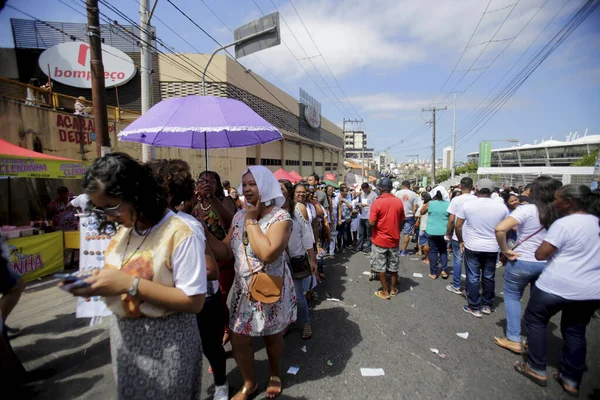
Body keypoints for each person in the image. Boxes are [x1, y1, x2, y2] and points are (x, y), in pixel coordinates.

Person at [67, 152, 207, 399]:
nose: (109, 216)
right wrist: (97, 283)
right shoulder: (125, 229)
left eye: (111, 207)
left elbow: (194, 301)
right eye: (101, 210)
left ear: (136, 194)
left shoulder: (180, 233)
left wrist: (129, 284)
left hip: (167, 344)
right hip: (126, 341)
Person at [206, 166, 295, 400]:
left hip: (269, 287)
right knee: (238, 338)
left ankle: (274, 374)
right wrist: (202, 232)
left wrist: (251, 221)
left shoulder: (281, 218)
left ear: (265, 186)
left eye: (252, 184)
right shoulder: (239, 215)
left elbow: (267, 254)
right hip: (243, 289)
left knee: (271, 335)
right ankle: (249, 383)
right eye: (244, 184)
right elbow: (226, 251)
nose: (246, 189)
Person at [148, 159, 228, 400]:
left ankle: (222, 383)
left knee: (209, 347)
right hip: (168, 306)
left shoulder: (188, 226)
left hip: (202, 300)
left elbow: (211, 271)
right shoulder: (146, 225)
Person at [513, 185, 600, 395]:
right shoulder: (596, 222)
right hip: (590, 290)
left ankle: (536, 366)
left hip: (556, 285)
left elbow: (542, 254)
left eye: (558, 199)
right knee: (576, 330)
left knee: (535, 321)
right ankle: (571, 379)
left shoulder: (564, 224)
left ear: (569, 202)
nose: (554, 203)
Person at [493, 176, 562, 354]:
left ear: (533, 191)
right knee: (538, 303)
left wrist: (505, 249)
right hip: (548, 263)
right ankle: (534, 340)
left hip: (522, 260)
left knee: (512, 296)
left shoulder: (527, 210)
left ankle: (514, 339)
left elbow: (500, 228)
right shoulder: (561, 211)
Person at [192, 171, 237, 346]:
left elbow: (228, 224)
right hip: (200, 259)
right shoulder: (194, 204)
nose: (205, 183)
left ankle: (226, 328)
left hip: (223, 259)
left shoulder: (225, 201)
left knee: (220, 297)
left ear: (217, 185)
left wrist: (212, 199)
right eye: (202, 180)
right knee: (205, 299)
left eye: (210, 181)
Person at [456, 178, 509, 317]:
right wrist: (503, 246)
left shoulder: (468, 205)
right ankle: (487, 305)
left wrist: (461, 240)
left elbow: (458, 225)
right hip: (493, 247)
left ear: (476, 189)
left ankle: (474, 306)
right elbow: (505, 228)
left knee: (473, 277)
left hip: (472, 245)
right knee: (489, 276)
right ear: (492, 191)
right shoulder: (502, 207)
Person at [280, 180, 317, 340]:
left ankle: (306, 322)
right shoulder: (270, 211)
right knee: (282, 296)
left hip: (296, 261)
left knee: (299, 296)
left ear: (288, 192)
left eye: (281, 189)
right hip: (278, 263)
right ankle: (287, 322)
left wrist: (313, 260)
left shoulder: (297, 210)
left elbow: (307, 236)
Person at [370, 179, 405, 300]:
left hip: (380, 240)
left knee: (381, 267)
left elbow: (372, 222)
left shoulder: (377, 203)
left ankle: (385, 291)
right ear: (391, 188)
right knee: (393, 267)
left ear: (379, 188)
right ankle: (393, 289)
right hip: (394, 240)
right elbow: (401, 220)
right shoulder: (398, 202)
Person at [445, 177, 476, 295]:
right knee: (472, 263)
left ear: (460, 186)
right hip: (473, 235)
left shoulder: (456, 200)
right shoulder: (477, 199)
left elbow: (451, 219)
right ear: (472, 186)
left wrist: (448, 233)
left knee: (458, 260)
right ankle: (470, 287)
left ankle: (457, 286)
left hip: (458, 235)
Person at [424, 189, 450, 280]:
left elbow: (422, 212)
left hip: (432, 230)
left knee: (433, 251)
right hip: (444, 231)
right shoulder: (448, 204)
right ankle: (444, 270)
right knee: (443, 251)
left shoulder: (430, 203)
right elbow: (451, 218)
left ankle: (433, 273)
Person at [395, 180, 418, 256]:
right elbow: (415, 207)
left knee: (397, 233)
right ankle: (404, 251)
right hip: (409, 215)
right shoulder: (414, 194)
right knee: (407, 234)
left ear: (402, 185)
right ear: (409, 186)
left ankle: (397, 249)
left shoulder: (397, 193)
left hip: (398, 215)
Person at [356, 182, 378, 254]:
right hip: (362, 216)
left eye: (366, 190)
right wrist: (360, 205)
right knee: (361, 233)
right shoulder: (361, 193)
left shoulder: (374, 195)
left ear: (369, 188)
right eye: (364, 190)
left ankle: (369, 247)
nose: (365, 191)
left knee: (369, 234)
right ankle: (359, 247)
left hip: (369, 216)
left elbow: (377, 205)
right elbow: (357, 202)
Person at [415, 192, 431, 265]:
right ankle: (431, 257)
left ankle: (424, 255)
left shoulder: (422, 205)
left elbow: (418, 215)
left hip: (423, 225)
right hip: (431, 227)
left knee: (423, 242)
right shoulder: (433, 205)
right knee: (430, 243)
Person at [337, 186, 353, 252]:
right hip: (339, 218)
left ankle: (344, 247)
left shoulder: (348, 196)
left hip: (347, 218)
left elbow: (350, 207)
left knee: (345, 233)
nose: (346, 193)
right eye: (344, 192)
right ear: (341, 192)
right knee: (339, 234)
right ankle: (338, 246)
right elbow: (339, 208)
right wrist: (339, 219)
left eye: (347, 192)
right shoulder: (337, 197)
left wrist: (344, 201)